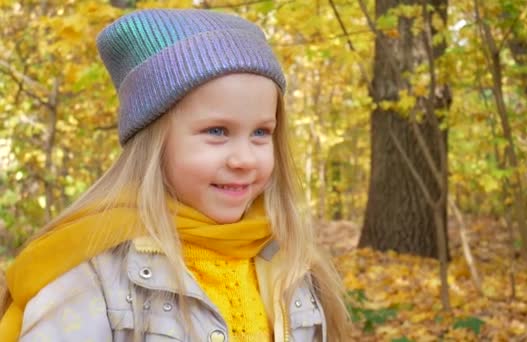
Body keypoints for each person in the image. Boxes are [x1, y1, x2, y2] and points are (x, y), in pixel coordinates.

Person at [0, 8, 349, 341]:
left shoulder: (290, 261)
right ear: (154, 142)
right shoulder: (89, 272)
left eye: (260, 132)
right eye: (217, 131)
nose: (244, 159)